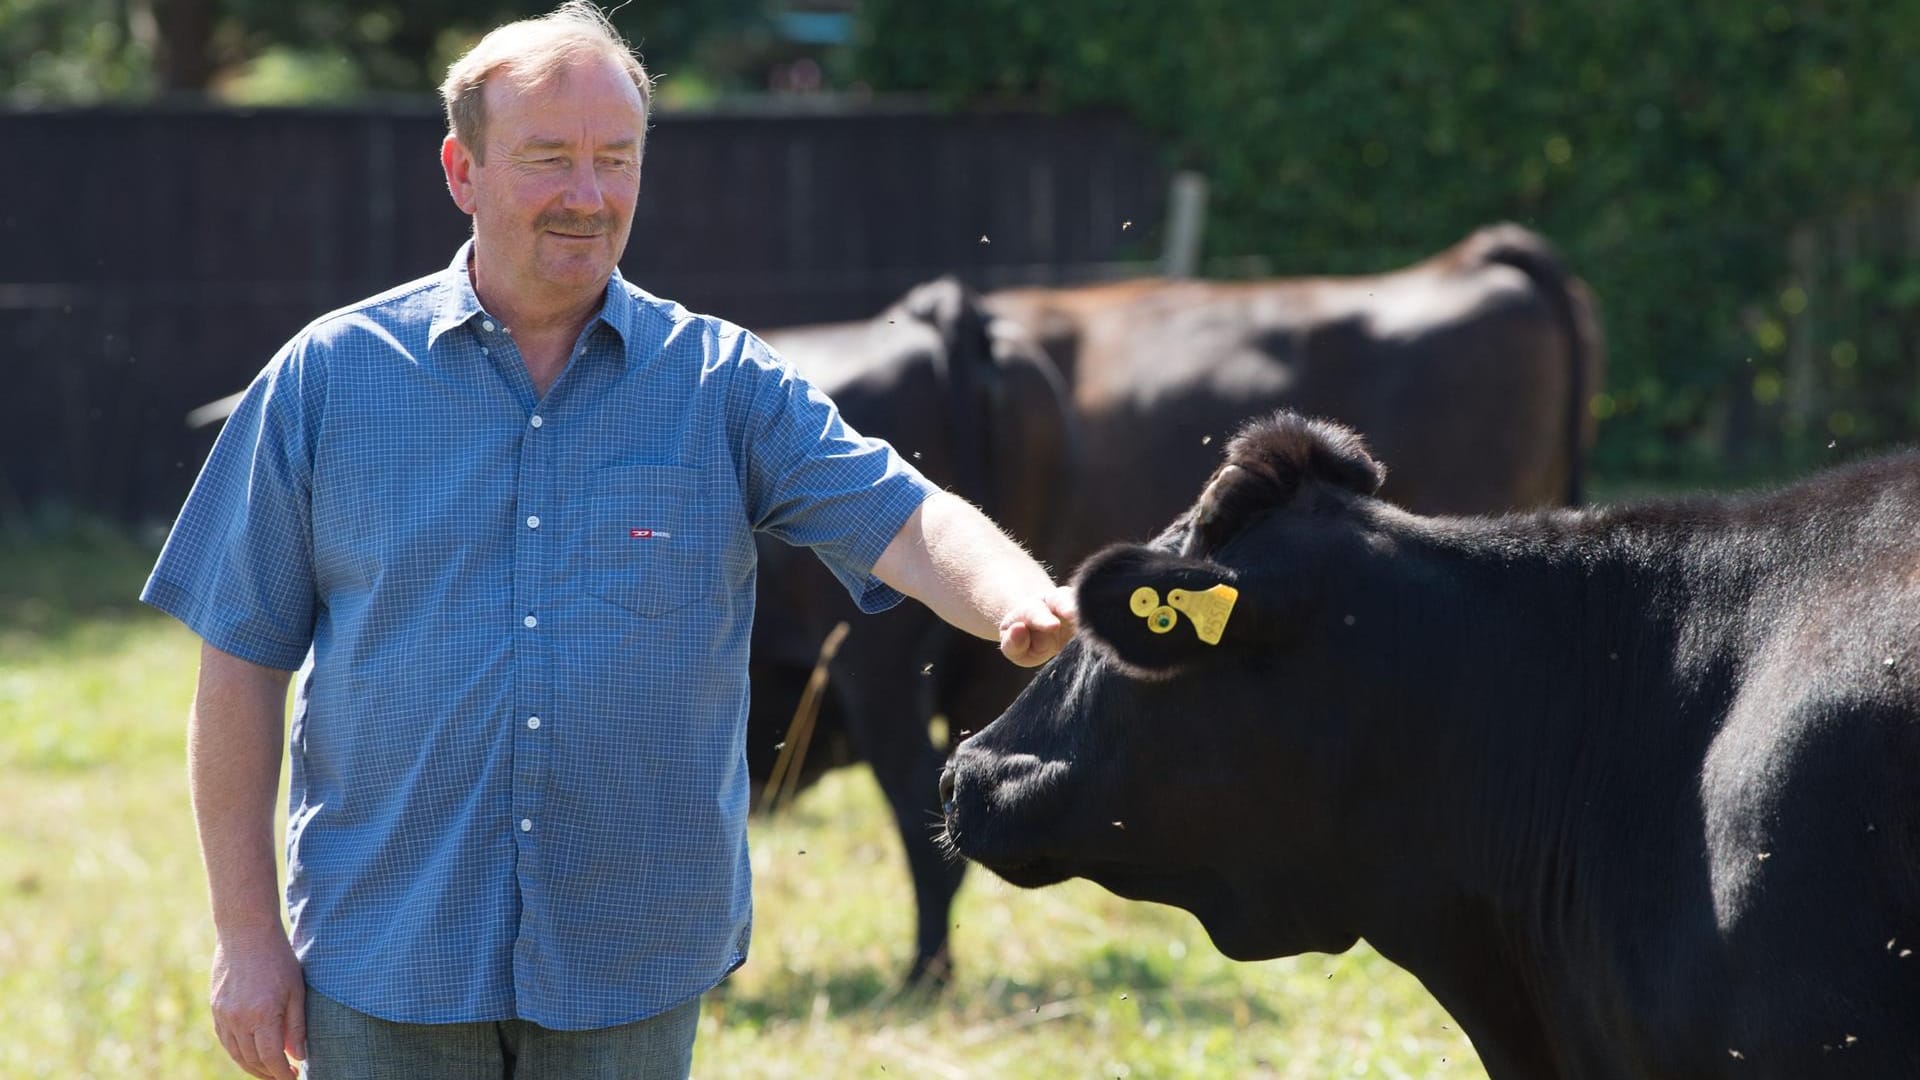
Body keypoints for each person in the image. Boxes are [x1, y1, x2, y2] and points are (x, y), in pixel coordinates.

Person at [140, 4, 1076, 1077]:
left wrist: (1016, 595)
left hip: (628, 964)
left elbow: (904, 516)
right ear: (463, 169)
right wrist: (249, 937)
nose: (588, 196)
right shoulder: (327, 380)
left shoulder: (719, 383)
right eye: (548, 159)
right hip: (382, 955)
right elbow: (241, 664)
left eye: (615, 160)